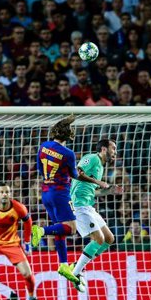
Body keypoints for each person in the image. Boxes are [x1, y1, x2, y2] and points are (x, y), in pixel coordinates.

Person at [31, 116, 111, 285]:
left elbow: (39, 168)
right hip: (60, 193)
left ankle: (64, 265)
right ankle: (41, 231)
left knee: (59, 230)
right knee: (71, 228)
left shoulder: (43, 146)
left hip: (45, 192)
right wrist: (98, 182)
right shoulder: (68, 153)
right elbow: (76, 175)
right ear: (68, 136)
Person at [68, 138, 123, 292]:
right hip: (78, 205)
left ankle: (77, 267)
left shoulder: (100, 167)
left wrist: (108, 191)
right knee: (98, 239)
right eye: (113, 148)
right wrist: (100, 183)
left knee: (109, 239)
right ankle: (76, 272)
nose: (115, 152)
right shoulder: (92, 158)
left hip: (88, 206)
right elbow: (75, 173)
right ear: (104, 149)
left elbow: (92, 190)